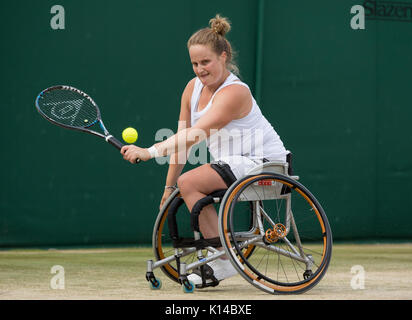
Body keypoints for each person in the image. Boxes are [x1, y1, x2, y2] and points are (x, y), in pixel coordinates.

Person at [121, 15, 288, 286]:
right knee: (184, 184)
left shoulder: (235, 92)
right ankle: (220, 252)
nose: (200, 69)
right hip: (235, 166)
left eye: (205, 62)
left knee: (189, 181)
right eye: (195, 63)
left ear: (224, 56)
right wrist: (168, 186)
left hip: (266, 165)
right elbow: (184, 141)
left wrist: (149, 152)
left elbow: (197, 133)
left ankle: (222, 258)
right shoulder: (192, 88)